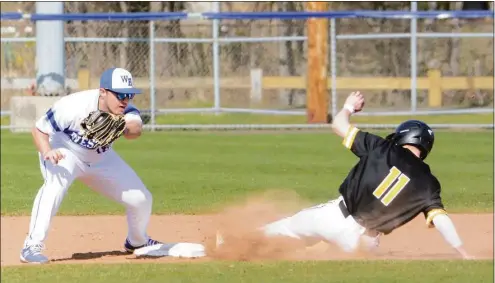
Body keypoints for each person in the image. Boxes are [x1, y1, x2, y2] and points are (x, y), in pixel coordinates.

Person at [259, 91, 473, 259]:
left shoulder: (382, 148)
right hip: (364, 243)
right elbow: (441, 220)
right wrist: (463, 253)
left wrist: (348, 107)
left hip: (334, 218)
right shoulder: (429, 184)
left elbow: (338, 125)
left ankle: (229, 243)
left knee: (286, 230)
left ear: (403, 137)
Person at [20, 67, 162, 264]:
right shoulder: (73, 106)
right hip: (64, 151)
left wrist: (120, 126)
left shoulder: (125, 109)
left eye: (129, 94)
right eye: (120, 95)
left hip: (101, 158)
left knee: (142, 199)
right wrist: (47, 152)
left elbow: (135, 130)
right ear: (103, 91)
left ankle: (137, 241)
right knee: (54, 186)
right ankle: (31, 246)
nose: (125, 100)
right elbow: (39, 129)